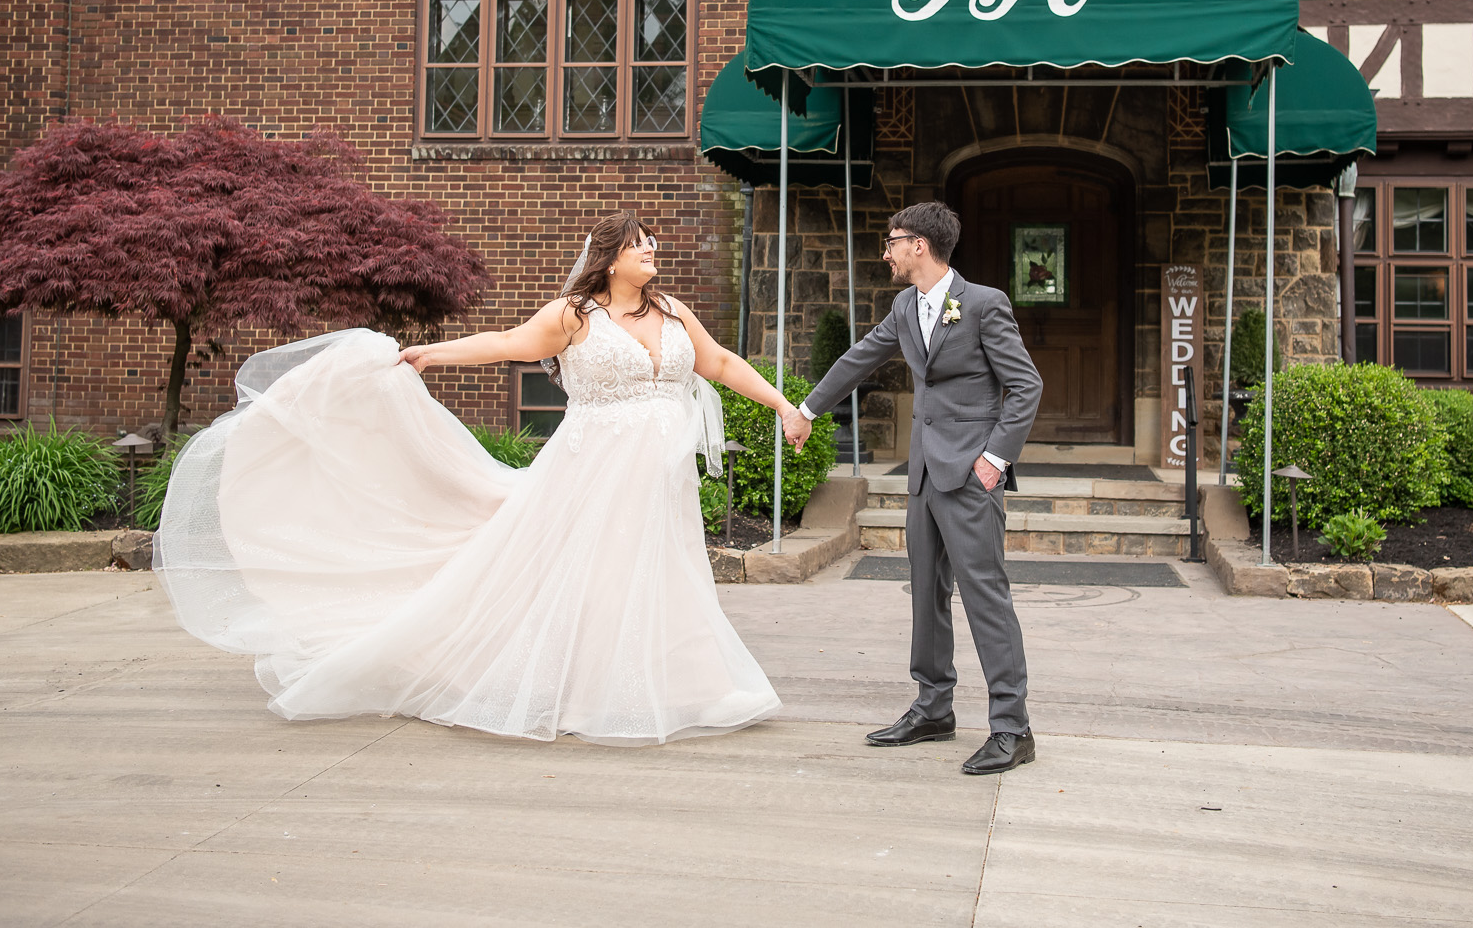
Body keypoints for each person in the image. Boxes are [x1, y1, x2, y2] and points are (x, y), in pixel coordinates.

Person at [154, 210, 807, 746]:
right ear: (611, 259)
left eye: (653, 245)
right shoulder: (575, 316)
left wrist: (780, 404)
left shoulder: (672, 311)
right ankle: (584, 692)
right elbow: (508, 342)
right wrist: (430, 353)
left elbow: (718, 361)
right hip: (590, 470)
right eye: (641, 247)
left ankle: (683, 683)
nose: (652, 253)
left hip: (659, 480)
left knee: (662, 574)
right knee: (594, 576)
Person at [797, 200, 1043, 775]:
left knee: (986, 596)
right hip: (924, 477)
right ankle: (933, 708)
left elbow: (1025, 387)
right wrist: (806, 408)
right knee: (926, 597)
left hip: (971, 477)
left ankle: (1013, 727)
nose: (886, 252)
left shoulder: (984, 305)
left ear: (919, 246)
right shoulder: (905, 307)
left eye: (892, 242)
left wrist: (994, 461)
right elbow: (861, 357)